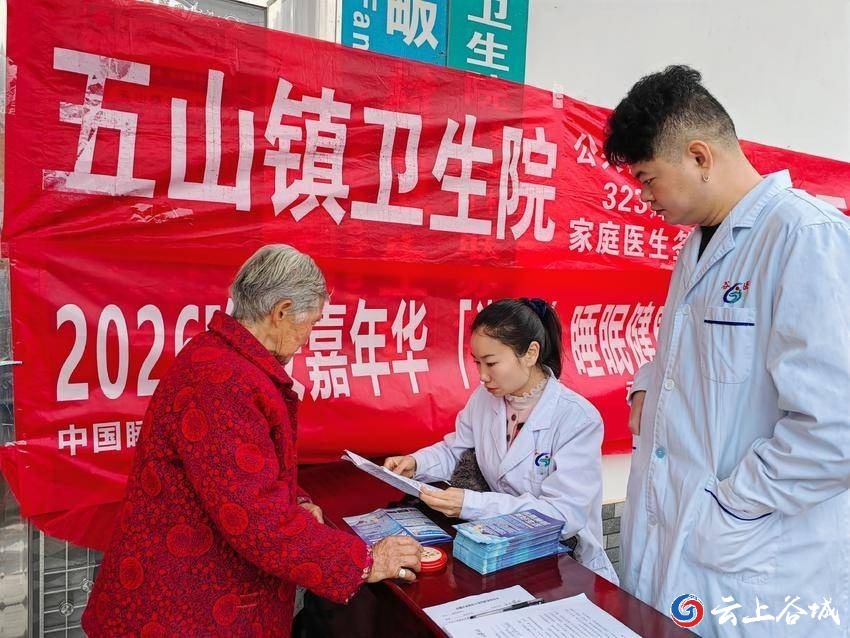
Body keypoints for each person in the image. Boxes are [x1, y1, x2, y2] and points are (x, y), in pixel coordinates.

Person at [603, 65, 850, 637]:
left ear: (699, 156)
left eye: (648, 178)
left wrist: (732, 504)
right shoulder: (697, 247)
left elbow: (836, 428)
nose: (644, 197)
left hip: (757, 558)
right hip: (683, 546)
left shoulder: (804, 237)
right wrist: (648, 383)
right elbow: (701, 356)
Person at [82, 245, 421, 637]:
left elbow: (246, 473)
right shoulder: (224, 382)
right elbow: (255, 518)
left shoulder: (222, 358)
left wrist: (297, 501)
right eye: (311, 323)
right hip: (181, 608)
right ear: (281, 312)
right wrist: (364, 561)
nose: (308, 339)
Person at [384, 298, 617, 583]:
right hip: (502, 549)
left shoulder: (577, 418)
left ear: (530, 354)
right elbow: (457, 450)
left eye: (491, 363)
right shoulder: (485, 399)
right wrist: (416, 463)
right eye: (477, 363)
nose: (482, 376)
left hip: (563, 563)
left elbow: (561, 516)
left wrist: (472, 504)